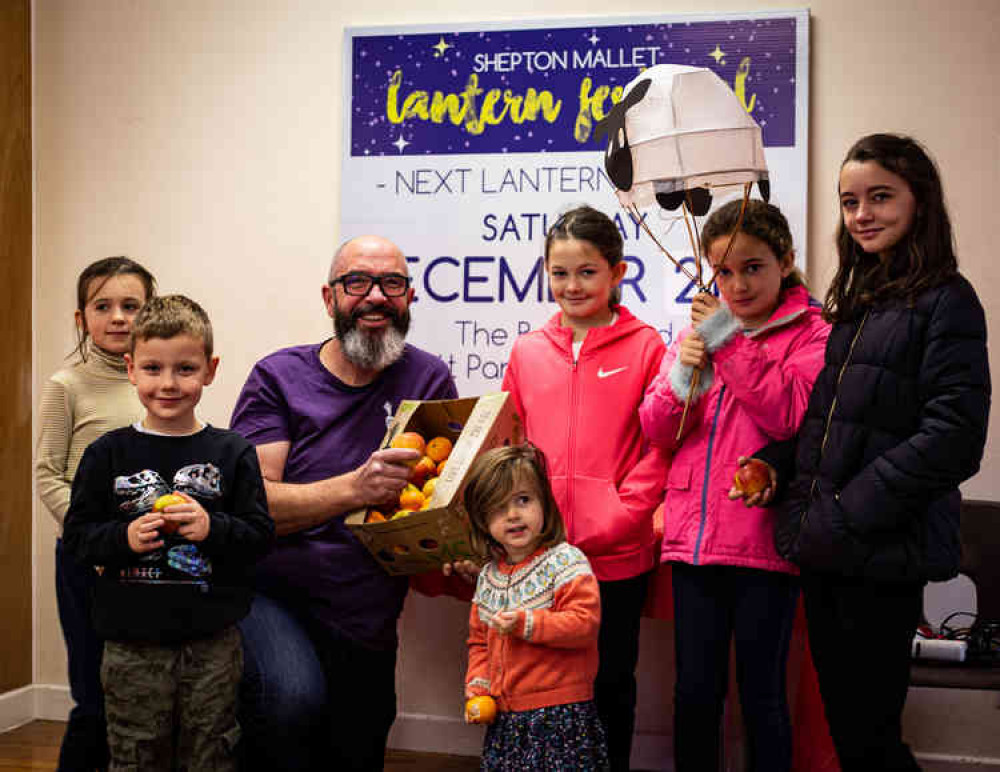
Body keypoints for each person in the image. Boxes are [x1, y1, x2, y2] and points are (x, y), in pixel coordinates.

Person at [733, 134, 991, 771]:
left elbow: (955, 435)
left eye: (881, 197)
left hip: (879, 551)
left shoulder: (947, 301)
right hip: (830, 551)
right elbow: (829, 425)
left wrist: (848, 510)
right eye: (850, 202)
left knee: (870, 735)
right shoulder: (857, 306)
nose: (863, 214)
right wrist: (775, 461)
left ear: (920, 202)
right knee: (853, 731)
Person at [229, 235, 458, 771]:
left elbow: (438, 498)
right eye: (357, 282)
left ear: (409, 297)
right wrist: (355, 488)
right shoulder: (278, 377)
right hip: (273, 598)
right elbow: (254, 504)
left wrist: (461, 544)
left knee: (359, 745)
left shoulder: (429, 379)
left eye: (392, 283)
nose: (376, 296)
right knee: (292, 702)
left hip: (367, 613)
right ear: (330, 299)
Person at [638, 199, 830, 771]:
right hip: (695, 544)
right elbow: (657, 429)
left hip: (763, 544)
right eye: (723, 271)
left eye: (753, 267)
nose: (737, 284)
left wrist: (728, 343)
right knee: (694, 692)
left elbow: (789, 418)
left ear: (786, 261)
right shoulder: (697, 334)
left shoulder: (813, 334)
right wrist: (685, 377)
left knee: (762, 694)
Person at [62, 295, 274, 771]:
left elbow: (260, 537)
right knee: (136, 753)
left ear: (210, 369)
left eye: (185, 369)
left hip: (214, 644)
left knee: (212, 750)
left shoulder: (233, 452)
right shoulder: (106, 454)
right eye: (153, 368)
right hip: (130, 646)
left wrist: (210, 527)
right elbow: (77, 539)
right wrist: (125, 539)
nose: (169, 383)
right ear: (131, 368)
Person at [500, 205, 668, 770]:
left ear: (618, 273)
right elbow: (512, 442)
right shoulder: (526, 351)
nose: (572, 286)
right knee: (540, 677)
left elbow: (659, 445)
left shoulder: (647, 348)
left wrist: (625, 513)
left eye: (587, 272)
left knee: (611, 676)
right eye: (559, 273)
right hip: (540, 553)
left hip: (616, 554)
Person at [35, 256, 156, 771]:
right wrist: (98, 539)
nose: (119, 317)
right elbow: (47, 475)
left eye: (132, 305)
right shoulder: (67, 385)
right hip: (89, 563)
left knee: (144, 691)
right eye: (102, 306)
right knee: (95, 694)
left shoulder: (158, 379)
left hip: (149, 556)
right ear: (81, 318)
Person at [463, 444, 609, 771]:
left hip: (560, 715)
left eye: (523, 500)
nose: (513, 514)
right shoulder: (488, 578)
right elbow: (478, 643)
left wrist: (527, 623)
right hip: (506, 721)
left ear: (545, 502)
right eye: (498, 508)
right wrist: (478, 683)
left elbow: (584, 624)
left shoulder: (565, 562)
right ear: (482, 521)